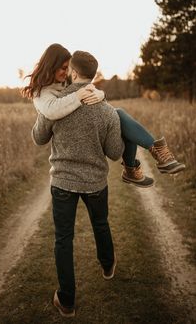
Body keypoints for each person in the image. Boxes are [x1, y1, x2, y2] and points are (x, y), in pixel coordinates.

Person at [31, 50, 124, 317]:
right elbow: (116, 153)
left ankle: (67, 302)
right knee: (101, 223)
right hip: (95, 182)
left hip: (62, 182)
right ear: (93, 75)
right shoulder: (106, 110)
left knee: (63, 240)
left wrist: (43, 118)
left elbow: (39, 138)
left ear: (73, 72)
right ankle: (107, 265)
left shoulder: (56, 103)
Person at [22, 43, 185, 188]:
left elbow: (86, 84)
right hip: (53, 137)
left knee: (119, 115)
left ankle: (154, 152)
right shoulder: (41, 91)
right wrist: (79, 95)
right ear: (52, 66)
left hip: (78, 130)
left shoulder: (65, 81)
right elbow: (52, 111)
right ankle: (133, 167)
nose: (67, 72)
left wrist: (100, 94)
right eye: (64, 68)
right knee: (118, 115)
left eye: (68, 68)